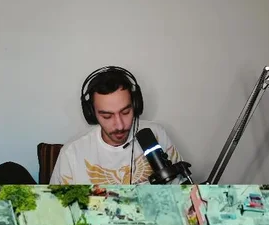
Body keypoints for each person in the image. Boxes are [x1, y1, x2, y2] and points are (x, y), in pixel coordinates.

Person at [51, 66, 182, 186]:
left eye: (126, 112)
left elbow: (182, 190)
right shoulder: (71, 153)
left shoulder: (156, 134)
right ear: (91, 113)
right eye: (107, 116)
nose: (120, 125)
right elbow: (55, 203)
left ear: (135, 105)